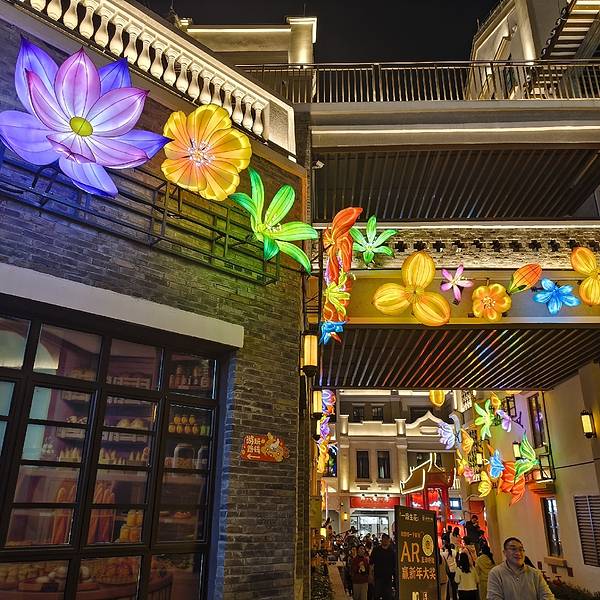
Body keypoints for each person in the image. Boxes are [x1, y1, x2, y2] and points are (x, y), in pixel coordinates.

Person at [487, 537, 554, 600]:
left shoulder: (535, 573)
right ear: (505, 552)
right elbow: (494, 598)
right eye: (513, 549)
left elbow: (548, 596)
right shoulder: (496, 573)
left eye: (521, 549)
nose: (518, 553)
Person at [370, 532, 395, 600]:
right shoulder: (376, 550)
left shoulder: (392, 551)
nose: (385, 540)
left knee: (388, 596)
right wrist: (370, 575)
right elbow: (371, 563)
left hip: (388, 578)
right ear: (382, 540)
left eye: (387, 539)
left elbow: (394, 565)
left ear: (389, 540)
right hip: (378, 577)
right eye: (384, 539)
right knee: (376, 595)